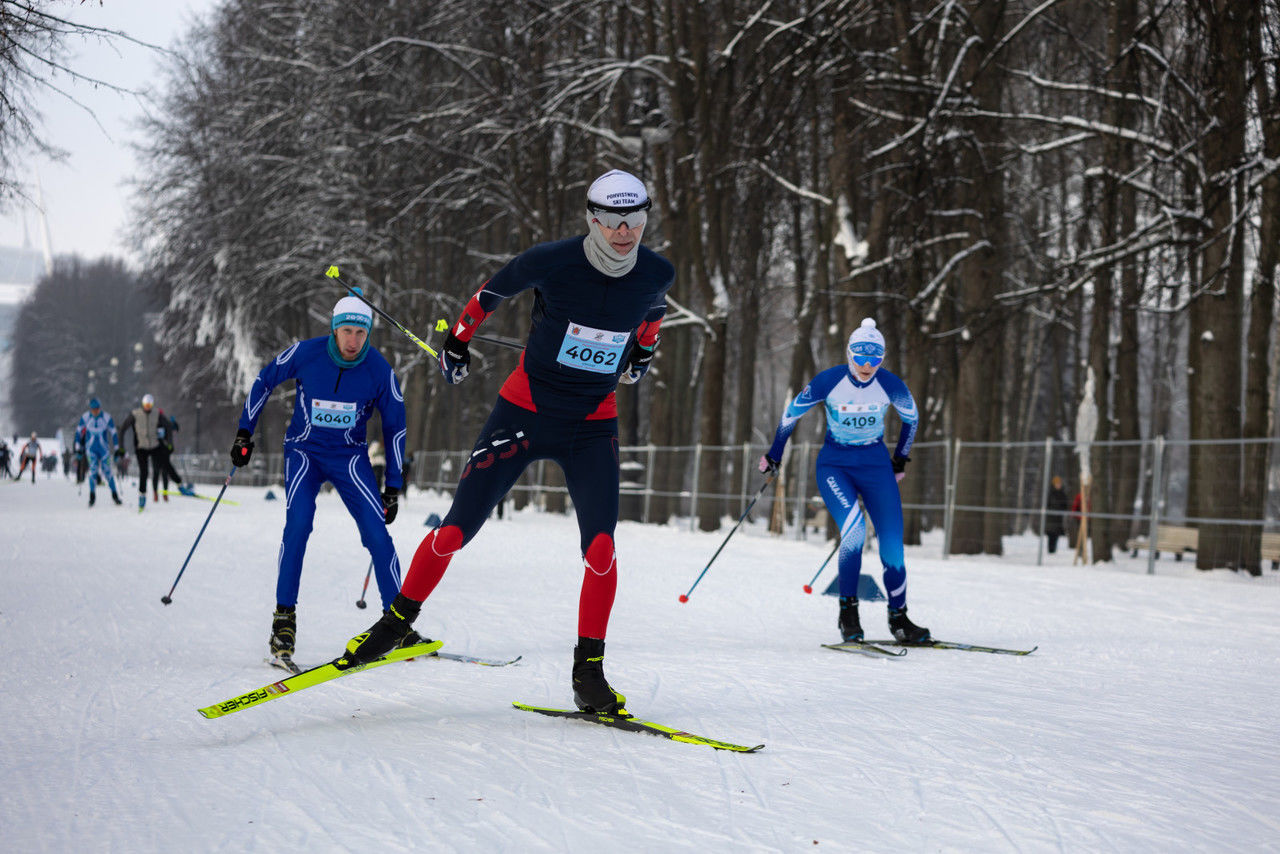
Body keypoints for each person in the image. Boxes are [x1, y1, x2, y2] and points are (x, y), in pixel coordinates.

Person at [338, 168, 674, 715]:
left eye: (634, 220)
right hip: (524, 411)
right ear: (592, 219)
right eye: (612, 221)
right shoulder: (553, 259)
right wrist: (457, 341)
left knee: (603, 550)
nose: (624, 232)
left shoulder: (657, 271)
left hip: (592, 424)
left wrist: (642, 352)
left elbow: (654, 308)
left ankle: (588, 673)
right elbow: (489, 293)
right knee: (453, 532)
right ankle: (396, 624)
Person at [231, 292, 409, 672]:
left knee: (377, 533)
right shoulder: (306, 353)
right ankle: (283, 623)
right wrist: (245, 432)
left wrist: (392, 484)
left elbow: (395, 426)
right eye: (346, 331)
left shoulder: (379, 370)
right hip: (304, 453)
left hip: (350, 458)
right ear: (334, 329)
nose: (353, 341)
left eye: (360, 334)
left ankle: (399, 623)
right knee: (297, 526)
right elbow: (264, 380)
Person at [761, 318, 928, 644]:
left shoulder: (890, 384)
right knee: (853, 532)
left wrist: (900, 458)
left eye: (875, 358)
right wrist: (775, 454)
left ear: (882, 358)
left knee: (893, 548)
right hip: (835, 466)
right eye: (860, 357)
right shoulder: (829, 380)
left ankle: (899, 619)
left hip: (877, 466)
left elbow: (912, 418)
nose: (867, 366)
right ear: (849, 354)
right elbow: (791, 414)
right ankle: (848, 615)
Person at [119, 394, 192, 509]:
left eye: (150, 405)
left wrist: (170, 444)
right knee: (144, 472)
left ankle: (180, 485)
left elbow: (168, 426)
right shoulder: (135, 414)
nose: (148, 407)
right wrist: (121, 447)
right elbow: (122, 429)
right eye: (146, 405)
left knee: (166, 464)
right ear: (143, 404)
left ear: (152, 405)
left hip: (154, 445)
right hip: (141, 447)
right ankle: (142, 496)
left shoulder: (157, 414)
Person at [75, 398, 124, 507]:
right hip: (90, 449)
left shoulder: (106, 417)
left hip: (104, 450)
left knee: (108, 472)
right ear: (90, 409)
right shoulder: (85, 417)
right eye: (93, 409)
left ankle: (115, 495)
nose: (95, 411)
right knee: (93, 471)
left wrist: (117, 450)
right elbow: (78, 433)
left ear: (100, 408)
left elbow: (114, 433)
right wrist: (77, 448)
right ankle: (92, 497)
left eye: (97, 409)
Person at [1045, 475, 1069, 554]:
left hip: (1058, 518)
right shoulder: (1050, 493)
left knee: (1056, 534)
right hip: (1051, 518)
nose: (1058, 485)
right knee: (1051, 535)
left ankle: (1053, 550)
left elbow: (1065, 505)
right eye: (1057, 484)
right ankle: (1050, 550)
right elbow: (1047, 505)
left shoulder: (1062, 494)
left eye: (1059, 483)